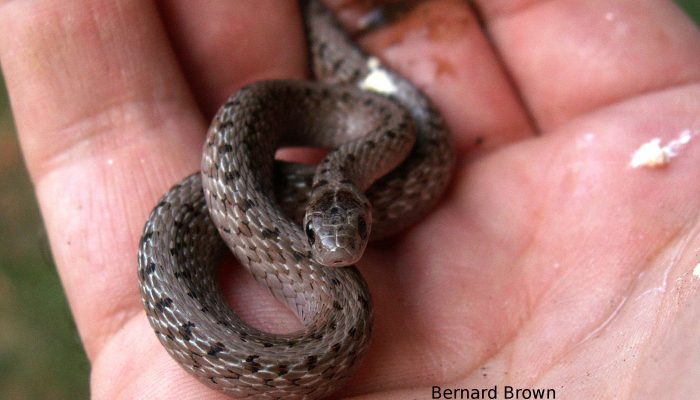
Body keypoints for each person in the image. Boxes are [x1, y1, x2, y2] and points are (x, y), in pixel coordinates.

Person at [1, 1, 698, 398]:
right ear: (309, 217)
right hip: (293, 152)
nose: (339, 251)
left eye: (354, 228)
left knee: (404, 135)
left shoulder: (385, 142)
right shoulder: (277, 177)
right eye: (327, 233)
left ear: (359, 204)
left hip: (371, 131)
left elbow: (390, 145)